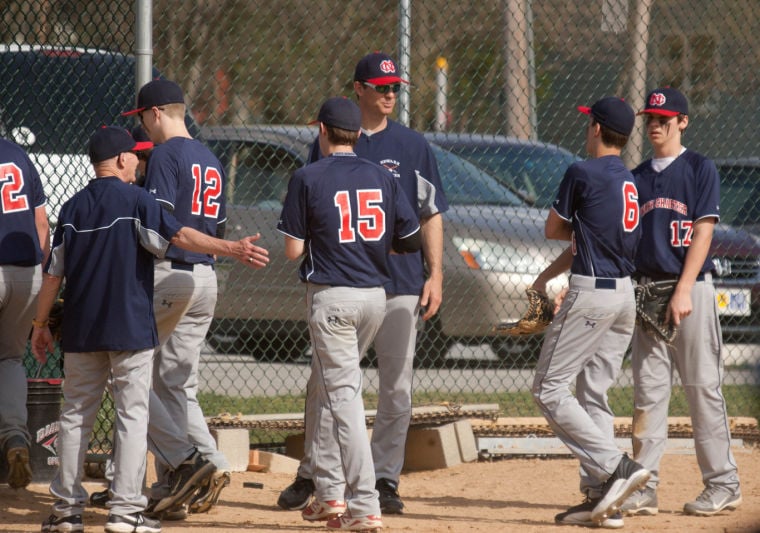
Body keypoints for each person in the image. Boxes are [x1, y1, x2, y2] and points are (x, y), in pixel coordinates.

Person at [31, 126, 268, 533]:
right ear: (122, 160)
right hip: (129, 327)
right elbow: (179, 235)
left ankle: (67, 512)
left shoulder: (71, 209)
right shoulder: (137, 200)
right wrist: (230, 248)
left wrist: (39, 324)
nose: (139, 163)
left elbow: (52, 275)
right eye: (135, 157)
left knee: (74, 418)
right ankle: (125, 513)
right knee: (131, 414)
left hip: (82, 331)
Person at [278, 51, 448, 515]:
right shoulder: (330, 142)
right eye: (381, 87)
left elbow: (431, 213)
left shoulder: (413, 145)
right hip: (347, 280)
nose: (390, 94)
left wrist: (436, 274)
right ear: (359, 89)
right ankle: (314, 472)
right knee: (325, 384)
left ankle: (383, 478)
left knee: (395, 386)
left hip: (400, 284)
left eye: (395, 87)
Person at [620, 87, 742, 517]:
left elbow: (704, 231)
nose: (655, 125)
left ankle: (724, 483)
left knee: (702, 389)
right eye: (650, 118)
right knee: (647, 395)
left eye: (664, 119)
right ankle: (644, 486)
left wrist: (685, 287)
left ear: (683, 122)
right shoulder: (636, 176)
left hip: (691, 290)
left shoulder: (698, 168)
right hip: (648, 293)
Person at [530, 97, 650, 528]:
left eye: (589, 124)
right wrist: (546, 276)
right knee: (592, 391)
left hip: (593, 292)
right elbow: (588, 236)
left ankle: (617, 468)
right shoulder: (629, 180)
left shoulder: (583, 171)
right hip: (623, 297)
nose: (587, 130)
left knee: (548, 388)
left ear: (597, 129)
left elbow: (552, 228)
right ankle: (603, 497)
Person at [122, 79, 234, 515]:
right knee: (175, 385)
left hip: (170, 274)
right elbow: (217, 233)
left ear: (154, 114)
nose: (145, 129)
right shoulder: (211, 157)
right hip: (205, 277)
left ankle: (175, 468)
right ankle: (208, 467)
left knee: (129, 372)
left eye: (143, 119)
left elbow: (156, 229)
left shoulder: (167, 154)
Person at [0, 134, 50, 489]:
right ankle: (16, 436)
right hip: (27, 273)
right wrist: (45, 281)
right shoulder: (19, 156)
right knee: (10, 359)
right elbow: (42, 225)